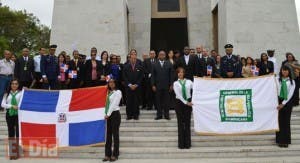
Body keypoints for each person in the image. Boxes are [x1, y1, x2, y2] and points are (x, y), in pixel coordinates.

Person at [1, 79, 22, 160]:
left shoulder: (21, 93)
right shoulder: (6, 94)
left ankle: (17, 152)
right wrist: (12, 106)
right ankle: (12, 153)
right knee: (11, 133)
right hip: (9, 114)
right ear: (10, 85)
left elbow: (22, 102)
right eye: (12, 84)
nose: (14, 85)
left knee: (18, 134)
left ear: (18, 85)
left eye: (16, 84)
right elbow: (3, 104)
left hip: (18, 115)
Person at [276, 65, 296, 148]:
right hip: (278, 101)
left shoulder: (292, 81)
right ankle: (279, 140)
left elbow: (290, 94)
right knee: (279, 122)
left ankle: (286, 141)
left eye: (286, 70)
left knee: (286, 122)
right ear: (281, 71)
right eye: (283, 70)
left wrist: (283, 104)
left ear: (289, 72)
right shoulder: (277, 80)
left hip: (287, 102)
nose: (284, 72)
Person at [173, 67, 193, 149]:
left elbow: (196, 88)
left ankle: (188, 144)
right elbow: (178, 95)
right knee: (180, 123)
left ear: (184, 73)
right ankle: (181, 144)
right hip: (179, 103)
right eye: (179, 72)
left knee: (187, 123)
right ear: (177, 74)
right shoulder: (175, 83)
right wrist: (186, 102)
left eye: (182, 72)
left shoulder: (189, 82)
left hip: (188, 103)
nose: (180, 74)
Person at [103, 79, 122, 162]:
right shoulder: (108, 92)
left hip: (115, 114)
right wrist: (106, 114)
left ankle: (115, 154)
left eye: (113, 82)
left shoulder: (118, 92)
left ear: (115, 83)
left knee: (115, 135)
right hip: (109, 115)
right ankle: (107, 154)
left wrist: (108, 114)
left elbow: (114, 104)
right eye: (109, 82)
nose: (111, 84)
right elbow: (106, 104)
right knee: (108, 135)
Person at [151, 50, 174, 120]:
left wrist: (171, 85)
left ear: (165, 55)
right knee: (158, 101)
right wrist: (153, 85)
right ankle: (159, 115)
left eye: (163, 55)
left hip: (167, 86)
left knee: (166, 101)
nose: (162, 56)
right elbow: (153, 76)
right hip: (157, 86)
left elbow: (171, 75)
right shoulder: (154, 64)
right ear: (158, 56)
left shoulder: (169, 63)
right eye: (160, 55)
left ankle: (167, 115)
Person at [123, 49, 143, 120]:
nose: (133, 55)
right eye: (132, 54)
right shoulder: (126, 66)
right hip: (129, 87)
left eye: (135, 54)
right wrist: (129, 85)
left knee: (136, 101)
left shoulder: (139, 66)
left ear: (136, 56)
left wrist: (136, 84)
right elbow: (124, 77)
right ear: (130, 56)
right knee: (129, 101)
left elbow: (141, 77)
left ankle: (136, 115)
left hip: (137, 87)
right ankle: (129, 115)